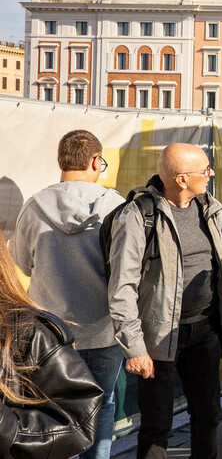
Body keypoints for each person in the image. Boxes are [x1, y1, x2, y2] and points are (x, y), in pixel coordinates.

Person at [107, 143, 222, 459]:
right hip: (158, 336)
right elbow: (122, 286)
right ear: (181, 179)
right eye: (205, 170)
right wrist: (135, 347)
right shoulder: (138, 215)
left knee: (208, 416)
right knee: (156, 425)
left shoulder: (212, 208)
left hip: (205, 330)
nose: (211, 173)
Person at [11, 130, 124, 459]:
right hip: (103, 329)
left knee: (48, 413)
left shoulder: (35, 206)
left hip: (49, 335)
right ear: (94, 162)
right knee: (102, 408)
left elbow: (22, 263)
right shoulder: (115, 206)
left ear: (61, 161)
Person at [0, 234, 105, 459]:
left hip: (99, 332)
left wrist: (7, 427)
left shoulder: (28, 333)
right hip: (103, 329)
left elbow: (78, 420)